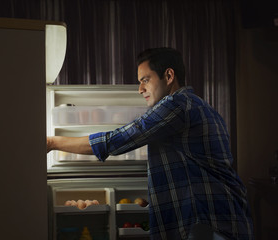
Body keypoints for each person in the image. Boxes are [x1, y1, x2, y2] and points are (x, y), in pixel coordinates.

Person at [46, 47, 254, 240]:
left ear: (169, 76)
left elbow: (118, 140)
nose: (140, 89)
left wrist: (52, 142)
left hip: (208, 224)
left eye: (145, 80)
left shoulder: (177, 105)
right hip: (220, 220)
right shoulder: (199, 105)